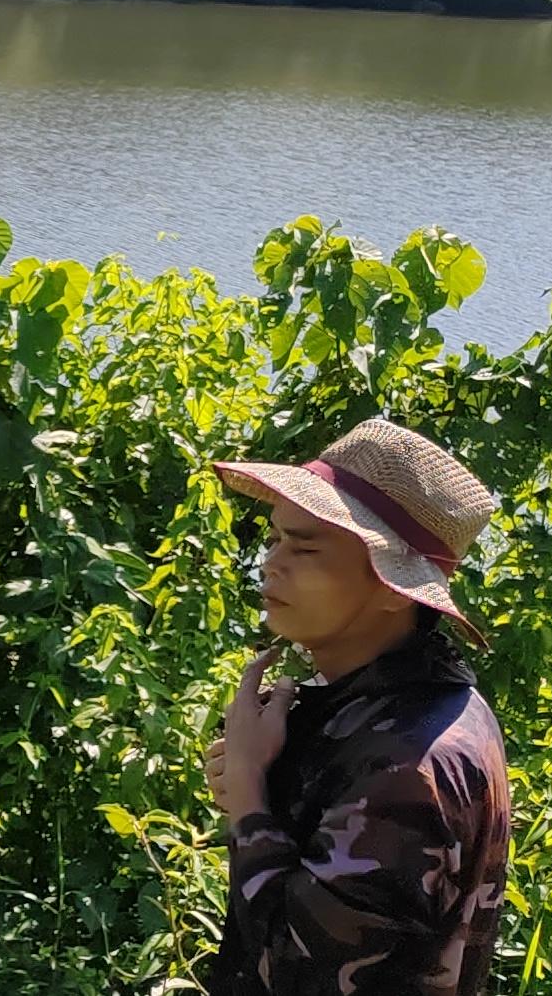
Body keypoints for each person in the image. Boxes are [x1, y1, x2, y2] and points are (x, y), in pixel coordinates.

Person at [203, 417, 512, 996]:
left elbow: (302, 974)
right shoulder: (396, 702)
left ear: (393, 587)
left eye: (307, 546)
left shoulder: (409, 763)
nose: (270, 563)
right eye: (275, 538)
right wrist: (269, 781)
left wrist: (247, 793)